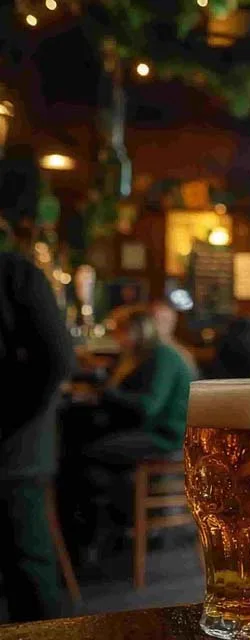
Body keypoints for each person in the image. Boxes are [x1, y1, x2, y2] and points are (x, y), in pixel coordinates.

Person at [0, 144, 73, 622]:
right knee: (29, 569)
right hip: (18, 452)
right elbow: (59, 357)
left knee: (28, 567)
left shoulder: (16, 270)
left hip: (15, 450)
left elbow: (56, 359)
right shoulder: (17, 271)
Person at [73, 308, 192, 558]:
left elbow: (149, 407)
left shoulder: (163, 356)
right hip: (151, 432)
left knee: (85, 454)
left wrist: (104, 393)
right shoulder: (142, 355)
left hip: (166, 437)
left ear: (137, 330)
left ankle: (103, 535)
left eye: (119, 329)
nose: (116, 336)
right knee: (91, 454)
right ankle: (114, 530)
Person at [149, 299, 198, 377]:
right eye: (157, 320)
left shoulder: (181, 353)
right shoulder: (144, 350)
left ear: (174, 322)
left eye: (165, 320)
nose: (161, 325)